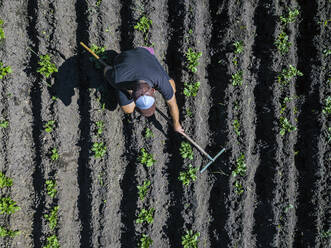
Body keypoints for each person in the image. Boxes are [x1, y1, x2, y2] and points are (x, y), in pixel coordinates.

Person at [103, 47, 184, 133]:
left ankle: (146, 53)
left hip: (144, 54)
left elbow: (172, 103)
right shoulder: (117, 78)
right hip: (123, 58)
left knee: (171, 88)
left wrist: (176, 123)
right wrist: (112, 72)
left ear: (153, 90)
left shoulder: (159, 79)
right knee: (128, 109)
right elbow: (106, 70)